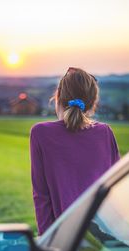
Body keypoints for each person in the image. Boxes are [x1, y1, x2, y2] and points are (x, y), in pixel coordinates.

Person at [30, 67, 120, 236]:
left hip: (66, 239)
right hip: (105, 236)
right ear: (92, 103)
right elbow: (117, 188)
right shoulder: (105, 133)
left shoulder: (40, 133)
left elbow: (41, 195)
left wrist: (46, 239)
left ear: (58, 98)